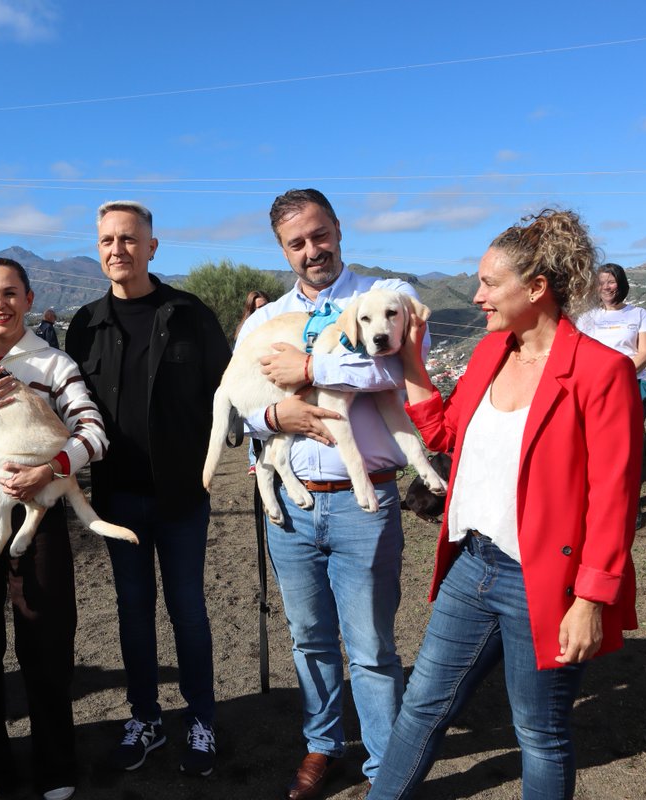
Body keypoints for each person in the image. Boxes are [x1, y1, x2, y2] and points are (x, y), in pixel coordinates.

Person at [368, 210, 642, 800]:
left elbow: (614, 499)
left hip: (549, 582)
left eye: (490, 283)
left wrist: (591, 600)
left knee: (539, 734)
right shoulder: (491, 353)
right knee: (421, 708)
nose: (477, 295)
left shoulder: (602, 372)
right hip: (473, 566)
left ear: (536, 288)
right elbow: (443, 433)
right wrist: (411, 359)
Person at [236, 188, 424, 800]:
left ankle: (385, 766)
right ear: (283, 250)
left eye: (320, 235)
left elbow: (396, 368)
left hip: (363, 501)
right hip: (294, 508)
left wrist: (312, 370)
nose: (312, 250)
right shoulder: (265, 322)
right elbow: (242, 406)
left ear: (339, 229)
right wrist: (274, 416)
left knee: (370, 645)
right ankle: (323, 744)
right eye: (297, 243)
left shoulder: (384, 297)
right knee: (310, 637)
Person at [65, 200, 230, 778]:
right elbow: (67, 407)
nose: (118, 249)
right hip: (118, 499)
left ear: (152, 247)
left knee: (188, 611)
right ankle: (146, 718)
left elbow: (227, 393)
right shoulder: (85, 324)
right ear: (99, 249)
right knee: (133, 614)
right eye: (108, 240)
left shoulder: (190, 315)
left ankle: (202, 719)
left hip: (182, 497)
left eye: (129, 239)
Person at [0, 258, 106, 800]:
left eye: (10, 293)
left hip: (39, 506)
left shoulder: (54, 362)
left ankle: (55, 763)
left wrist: (51, 469)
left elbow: (93, 432)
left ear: (29, 300)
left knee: (46, 633)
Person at [576, 263, 646, 418]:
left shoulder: (639, 314)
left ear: (621, 284)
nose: (606, 287)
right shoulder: (585, 318)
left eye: (611, 282)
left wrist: (616, 377)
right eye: (601, 283)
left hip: (629, 386)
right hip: (593, 389)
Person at [237, 289, 273, 474]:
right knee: (258, 419)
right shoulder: (247, 330)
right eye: (257, 308)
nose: (262, 310)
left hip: (273, 379)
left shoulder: (277, 324)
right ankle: (255, 459)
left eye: (265, 305)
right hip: (256, 382)